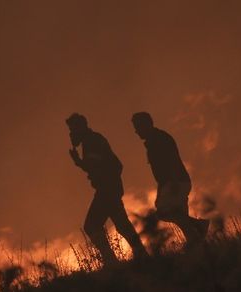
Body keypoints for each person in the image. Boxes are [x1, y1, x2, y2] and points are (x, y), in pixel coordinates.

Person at [66, 113, 148, 265]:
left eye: (73, 129)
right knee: (121, 224)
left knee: (91, 226)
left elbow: (96, 165)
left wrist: (79, 162)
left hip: (107, 190)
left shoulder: (91, 141)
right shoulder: (92, 140)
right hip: (109, 188)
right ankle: (141, 254)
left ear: (81, 127)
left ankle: (111, 261)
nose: (71, 134)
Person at [131, 112, 209, 247]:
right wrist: (161, 191)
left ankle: (199, 226)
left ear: (146, 125)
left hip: (175, 183)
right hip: (175, 182)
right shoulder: (155, 140)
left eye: (138, 127)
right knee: (181, 218)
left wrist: (172, 184)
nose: (136, 131)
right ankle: (197, 245)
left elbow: (171, 162)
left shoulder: (159, 140)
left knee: (164, 213)